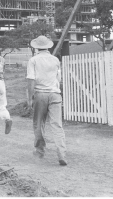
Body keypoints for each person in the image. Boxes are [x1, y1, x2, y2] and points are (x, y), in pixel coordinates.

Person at [26, 35, 67, 166]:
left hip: (40, 94)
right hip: (55, 94)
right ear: (48, 46)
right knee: (57, 125)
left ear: (36, 47)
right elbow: (58, 80)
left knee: (38, 123)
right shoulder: (55, 60)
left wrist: (29, 98)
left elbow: (31, 80)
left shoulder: (33, 60)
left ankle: (40, 151)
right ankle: (61, 154)